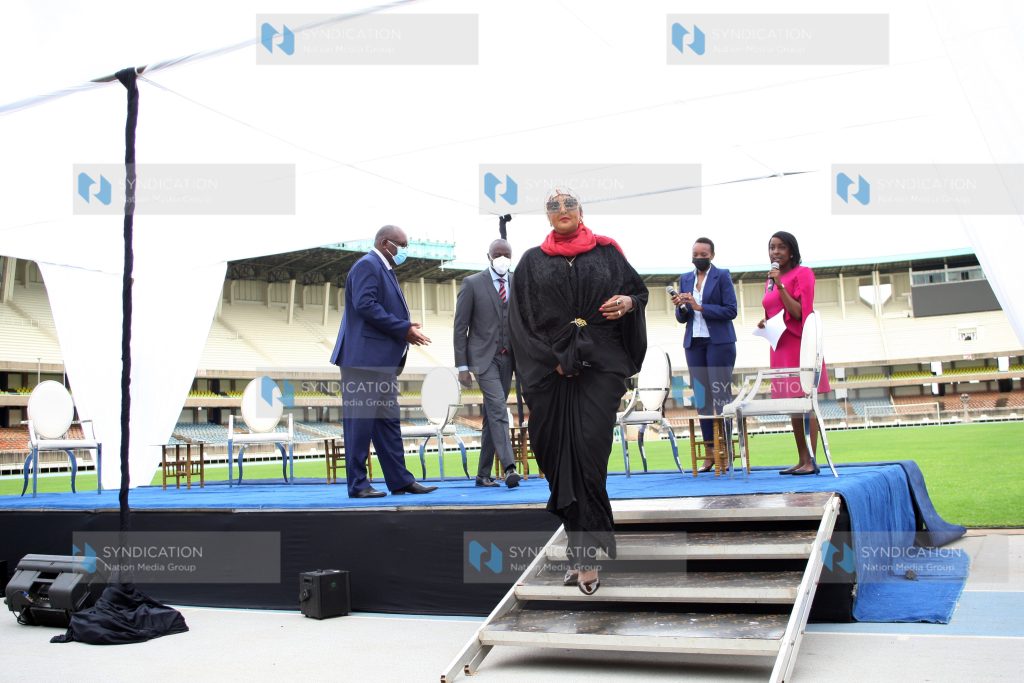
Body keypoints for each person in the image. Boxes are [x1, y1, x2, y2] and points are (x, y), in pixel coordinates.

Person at [509, 190, 648, 596]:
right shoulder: (532, 261)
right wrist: (548, 358)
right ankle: (580, 547)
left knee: (588, 454)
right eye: (554, 207)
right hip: (549, 373)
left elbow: (637, 293)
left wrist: (627, 302)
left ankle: (587, 558)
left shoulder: (607, 253)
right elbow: (519, 320)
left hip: (599, 367)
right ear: (547, 217)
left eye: (569, 206)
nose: (562, 211)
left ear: (582, 212)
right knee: (556, 459)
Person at [329, 225, 439, 498]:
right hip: (363, 360)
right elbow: (365, 305)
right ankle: (358, 484)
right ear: (384, 242)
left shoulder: (384, 270)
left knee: (388, 423)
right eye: (400, 245)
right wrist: (403, 328)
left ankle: (400, 479)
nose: (404, 251)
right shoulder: (367, 265)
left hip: (381, 363)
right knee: (360, 423)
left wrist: (404, 327)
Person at [759, 230, 831, 475]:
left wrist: (780, 284)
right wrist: (764, 322)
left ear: (791, 250)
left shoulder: (803, 274)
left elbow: (800, 312)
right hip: (779, 345)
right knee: (792, 405)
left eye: (780, 247)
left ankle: (812, 460)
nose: (775, 252)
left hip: (800, 345)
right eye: (771, 247)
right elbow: (773, 309)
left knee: (806, 403)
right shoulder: (769, 279)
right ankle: (801, 459)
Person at [454, 238, 522, 489]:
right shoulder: (472, 284)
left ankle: (482, 474)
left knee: (492, 416)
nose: (502, 258)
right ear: (489, 256)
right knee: (498, 409)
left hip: (509, 358)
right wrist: (462, 366)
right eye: (498, 254)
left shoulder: (517, 282)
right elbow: (460, 326)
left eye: (507, 254)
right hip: (483, 359)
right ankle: (509, 467)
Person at [672, 237, 737, 473]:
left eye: (703, 254)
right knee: (702, 399)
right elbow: (682, 318)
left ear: (712, 255)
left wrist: (701, 307)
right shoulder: (686, 278)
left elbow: (731, 310)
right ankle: (710, 452)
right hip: (694, 344)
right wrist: (681, 306)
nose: (698, 257)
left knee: (720, 398)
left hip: (719, 343)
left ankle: (725, 451)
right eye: (695, 254)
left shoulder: (723, 276)